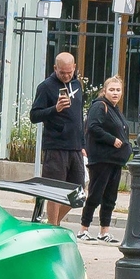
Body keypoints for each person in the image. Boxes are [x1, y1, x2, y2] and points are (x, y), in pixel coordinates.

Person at [28, 51, 85, 227]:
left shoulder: (77, 84)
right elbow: (34, 115)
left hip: (74, 146)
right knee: (54, 190)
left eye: (69, 72)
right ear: (55, 68)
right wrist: (55, 109)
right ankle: (53, 226)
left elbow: (77, 117)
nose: (67, 76)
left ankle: (52, 223)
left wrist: (82, 144)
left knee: (79, 191)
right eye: (62, 72)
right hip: (56, 146)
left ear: (74, 67)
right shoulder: (46, 87)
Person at [81, 76, 129, 240]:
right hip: (102, 159)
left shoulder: (115, 110)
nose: (115, 93)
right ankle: (83, 229)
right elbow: (93, 127)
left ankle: (104, 231)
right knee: (95, 195)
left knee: (110, 197)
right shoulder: (100, 106)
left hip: (115, 160)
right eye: (112, 90)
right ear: (104, 91)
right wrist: (112, 140)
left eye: (118, 90)